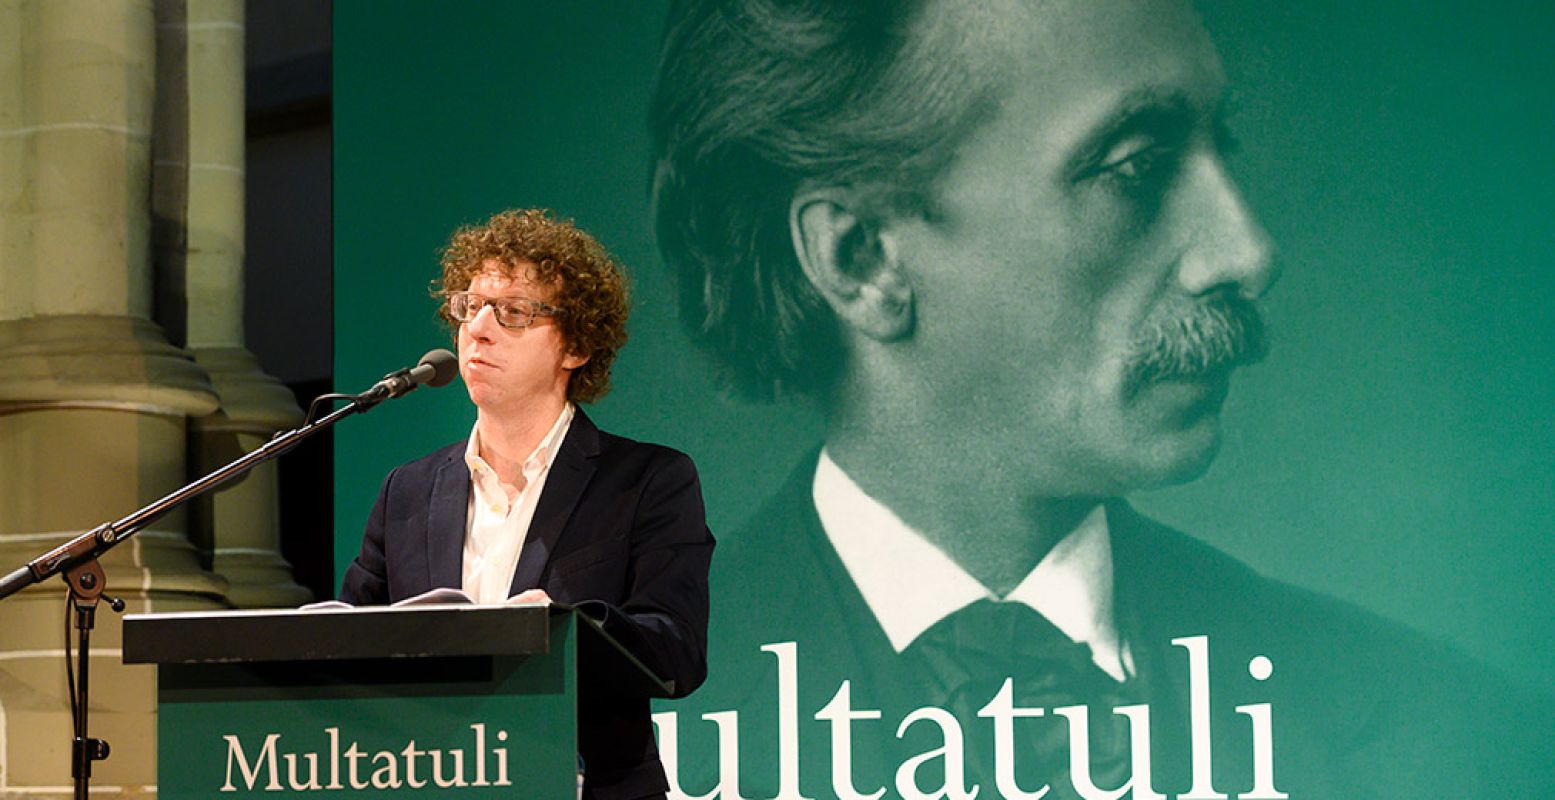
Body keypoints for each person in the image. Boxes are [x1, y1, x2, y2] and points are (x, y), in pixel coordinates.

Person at [650, 0, 1550, 797]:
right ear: (862, 259)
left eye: (1216, 150)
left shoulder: (1451, 736)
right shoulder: (561, 736)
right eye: (1135, 168)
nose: (1245, 251)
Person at [339, 209, 715, 799]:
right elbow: (349, 652)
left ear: (577, 347)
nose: (479, 329)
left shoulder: (646, 481)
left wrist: (565, 630)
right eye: (470, 306)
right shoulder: (406, 493)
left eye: (513, 312)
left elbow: (676, 652)